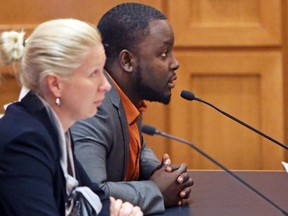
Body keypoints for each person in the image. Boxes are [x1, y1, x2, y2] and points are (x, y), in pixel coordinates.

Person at [0, 19, 143, 216]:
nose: (106, 85)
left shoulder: (53, 127)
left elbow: (97, 197)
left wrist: (117, 211)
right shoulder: (24, 141)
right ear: (56, 84)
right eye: (94, 74)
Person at [71, 3, 194, 215]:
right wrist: (157, 190)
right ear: (127, 60)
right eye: (164, 53)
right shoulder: (93, 107)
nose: (175, 64)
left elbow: (133, 145)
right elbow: (91, 195)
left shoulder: (125, 96)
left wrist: (157, 171)